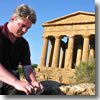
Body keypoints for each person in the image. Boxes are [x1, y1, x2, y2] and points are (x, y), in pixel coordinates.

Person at [0, 4, 43, 95]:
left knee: (27, 90)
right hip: (9, 80)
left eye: (28, 28)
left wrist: (34, 81)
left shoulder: (23, 44)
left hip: (10, 81)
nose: (24, 31)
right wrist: (16, 82)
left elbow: (27, 67)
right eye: (22, 25)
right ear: (12, 19)